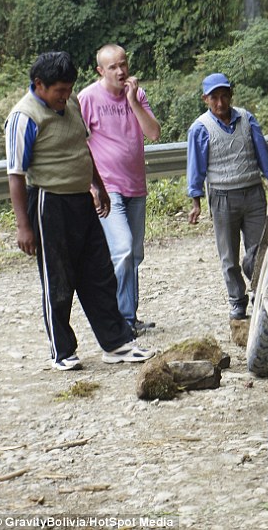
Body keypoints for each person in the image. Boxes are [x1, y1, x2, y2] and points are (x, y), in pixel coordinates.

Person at [4, 51, 155, 371]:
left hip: (82, 200)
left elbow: (83, 149)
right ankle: (62, 351)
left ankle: (115, 343)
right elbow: (15, 174)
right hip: (49, 203)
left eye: (69, 88)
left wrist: (98, 187)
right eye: (59, 90)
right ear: (39, 85)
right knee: (59, 278)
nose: (65, 96)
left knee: (99, 273)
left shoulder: (71, 103)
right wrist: (23, 226)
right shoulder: (24, 116)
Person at [78, 44, 161, 336]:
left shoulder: (137, 94)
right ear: (101, 71)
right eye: (113, 67)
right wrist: (91, 185)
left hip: (136, 185)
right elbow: (77, 143)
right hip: (107, 187)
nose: (121, 71)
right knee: (123, 249)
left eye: (123, 64)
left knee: (134, 255)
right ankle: (117, 321)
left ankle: (129, 316)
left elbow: (153, 133)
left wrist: (133, 102)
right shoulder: (87, 98)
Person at [187, 73, 268, 322]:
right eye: (214, 97)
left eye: (224, 95)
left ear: (231, 95)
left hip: (253, 194)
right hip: (222, 197)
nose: (221, 102)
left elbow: (264, 159)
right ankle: (237, 300)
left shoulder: (247, 119)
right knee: (229, 256)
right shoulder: (201, 128)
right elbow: (196, 168)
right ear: (206, 99)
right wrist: (196, 201)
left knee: (260, 250)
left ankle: (259, 290)